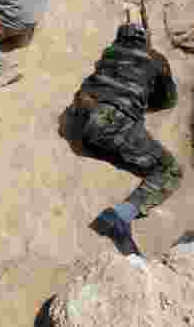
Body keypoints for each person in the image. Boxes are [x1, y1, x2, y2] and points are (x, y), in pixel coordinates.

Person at [71, 21, 181, 258]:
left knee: (107, 137)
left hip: (81, 120)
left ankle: (102, 145)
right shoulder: (155, 59)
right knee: (170, 170)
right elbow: (168, 101)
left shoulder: (110, 51)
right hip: (112, 123)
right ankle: (121, 216)